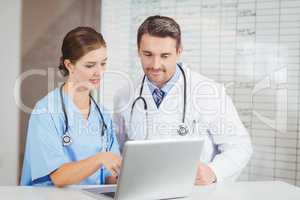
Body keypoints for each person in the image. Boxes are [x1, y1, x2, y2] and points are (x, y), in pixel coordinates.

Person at [113, 15, 253, 185]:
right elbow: (118, 152)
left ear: (179, 52)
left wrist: (214, 172)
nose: (155, 65)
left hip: (195, 192)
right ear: (138, 50)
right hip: (142, 191)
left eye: (165, 56)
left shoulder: (208, 92)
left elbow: (240, 146)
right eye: (148, 54)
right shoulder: (125, 95)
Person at [21, 27, 122, 186]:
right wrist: (100, 158)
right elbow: (59, 177)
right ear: (69, 65)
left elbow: (111, 173)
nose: (99, 72)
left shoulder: (102, 115)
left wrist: (124, 180)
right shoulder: (46, 111)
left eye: (103, 63)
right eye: (90, 65)